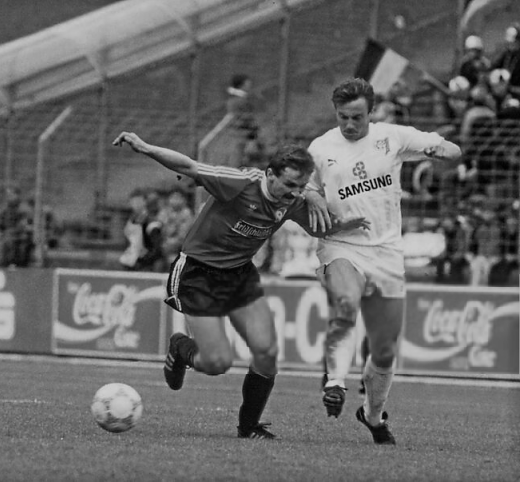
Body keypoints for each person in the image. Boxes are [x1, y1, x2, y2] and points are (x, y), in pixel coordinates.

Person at [112, 132, 368, 439]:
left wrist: (353, 220)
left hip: (240, 274)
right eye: (289, 185)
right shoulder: (239, 183)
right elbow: (189, 166)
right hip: (199, 273)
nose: (295, 193)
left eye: (301, 187)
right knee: (216, 362)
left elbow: (323, 225)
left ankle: (249, 428)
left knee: (267, 353)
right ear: (270, 175)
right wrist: (145, 147)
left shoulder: (291, 201)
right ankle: (180, 347)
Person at [305, 78, 461, 444]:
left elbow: (450, 149)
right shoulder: (320, 147)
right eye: (343, 117)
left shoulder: (393, 137)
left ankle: (373, 415)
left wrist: (443, 151)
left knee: (385, 350)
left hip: (386, 252)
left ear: (371, 112)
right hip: (341, 244)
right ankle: (335, 382)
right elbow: (306, 186)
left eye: (357, 117)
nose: (349, 124)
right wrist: (312, 196)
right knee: (346, 301)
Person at [118, 188, 165, 272]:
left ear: (145, 202)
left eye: (139, 201)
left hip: (146, 262)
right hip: (131, 260)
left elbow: (157, 249)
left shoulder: (152, 223)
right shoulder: (130, 222)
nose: (136, 204)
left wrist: (143, 260)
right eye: (133, 202)